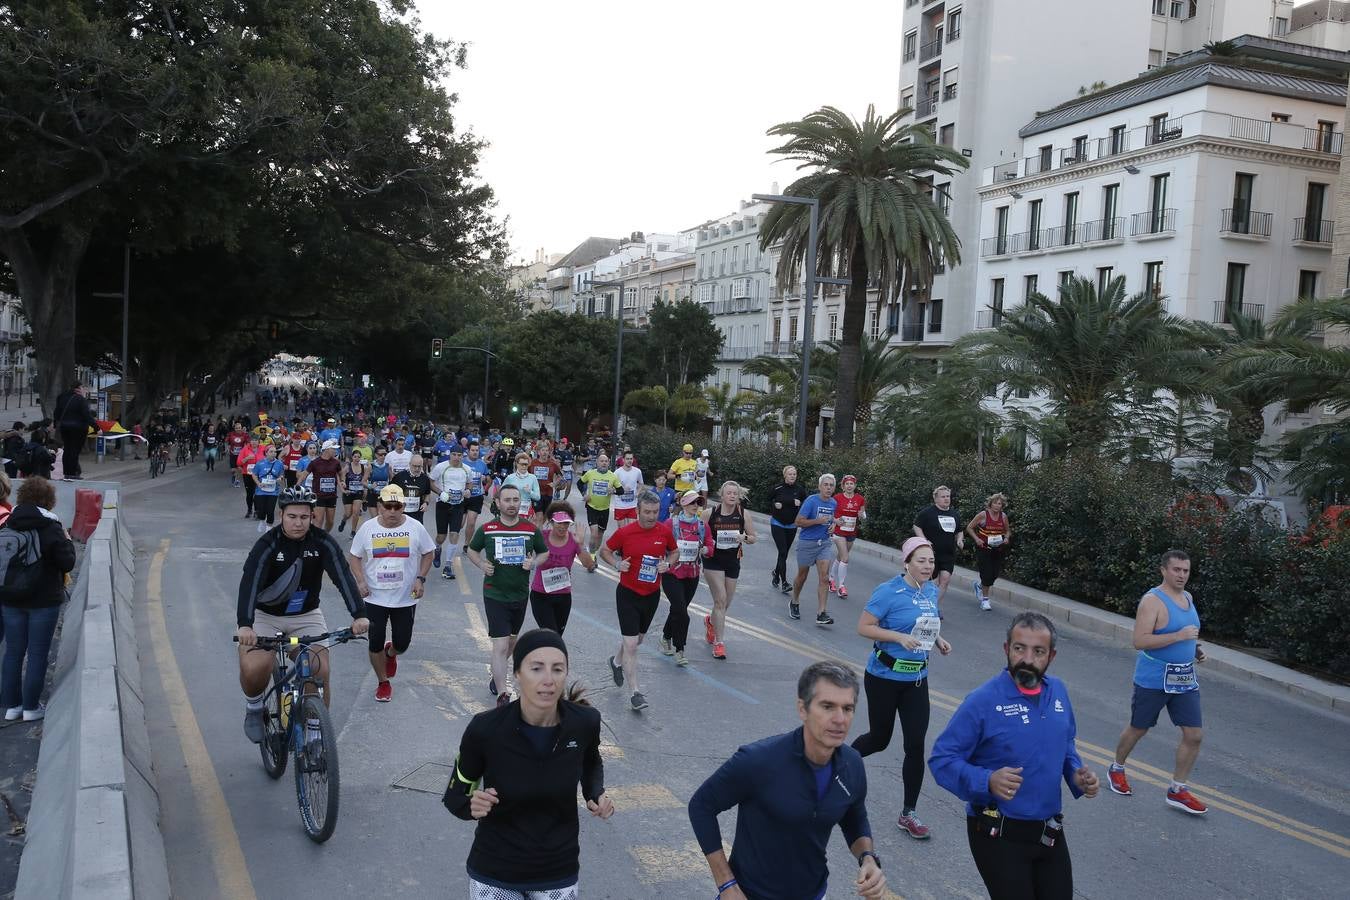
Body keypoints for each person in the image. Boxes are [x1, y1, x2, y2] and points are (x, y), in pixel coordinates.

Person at [929, 612, 1100, 900]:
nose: (1027, 659)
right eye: (1019, 648)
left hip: (1048, 831)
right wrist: (987, 781)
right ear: (1007, 649)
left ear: (1051, 656)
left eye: (1038, 651)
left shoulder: (1058, 692)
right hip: (998, 833)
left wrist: (1076, 774)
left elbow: (1065, 743)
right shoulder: (983, 701)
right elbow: (941, 760)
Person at [688, 662, 886, 900]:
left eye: (848, 708)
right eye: (827, 706)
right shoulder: (759, 760)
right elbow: (701, 806)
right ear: (802, 709)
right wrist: (726, 884)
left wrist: (867, 858)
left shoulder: (852, 764)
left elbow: (855, 817)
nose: (840, 719)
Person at [443, 629, 613, 899]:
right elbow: (454, 797)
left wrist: (595, 793)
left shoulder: (584, 722)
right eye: (536, 668)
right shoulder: (485, 730)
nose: (548, 680)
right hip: (496, 870)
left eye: (557, 669)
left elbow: (591, 761)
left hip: (557, 870)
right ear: (518, 674)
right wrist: (471, 806)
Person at [235, 487, 370, 742]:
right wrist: (245, 625)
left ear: (312, 516)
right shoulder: (267, 544)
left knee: (318, 669)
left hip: (305, 615)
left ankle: (315, 736)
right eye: (292, 516)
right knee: (256, 667)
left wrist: (359, 614)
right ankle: (254, 706)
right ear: (281, 514)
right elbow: (249, 583)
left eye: (304, 517)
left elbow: (342, 576)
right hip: (265, 616)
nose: (298, 523)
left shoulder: (322, 542)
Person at [852, 537, 952, 840]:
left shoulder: (931, 590)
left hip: (916, 681)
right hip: (883, 677)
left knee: (915, 745)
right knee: (880, 739)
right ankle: (835, 765)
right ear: (906, 562)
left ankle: (909, 813)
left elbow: (926, 624)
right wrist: (897, 638)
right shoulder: (888, 591)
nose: (927, 566)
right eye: (921, 561)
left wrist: (938, 640)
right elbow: (864, 627)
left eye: (931, 562)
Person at [1107, 549, 1209, 815]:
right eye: (1177, 570)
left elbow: (1187, 631)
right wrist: (1178, 636)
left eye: (1186, 571)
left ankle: (1178, 790)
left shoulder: (1188, 597)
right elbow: (1139, 641)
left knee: (1194, 735)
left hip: (1184, 678)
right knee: (1139, 728)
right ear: (1164, 570)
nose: (1182, 575)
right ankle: (1116, 768)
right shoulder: (1152, 601)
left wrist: (1194, 648)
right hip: (1154, 679)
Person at [348, 484, 436, 703]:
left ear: (404, 506)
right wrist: (360, 581)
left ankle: (391, 654)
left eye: (398, 506)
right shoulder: (367, 528)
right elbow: (354, 557)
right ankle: (383, 682)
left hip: (405, 598)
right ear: (379, 507)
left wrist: (420, 578)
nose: (393, 511)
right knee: (374, 642)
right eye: (388, 506)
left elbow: (428, 552)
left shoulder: (415, 527)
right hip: (375, 596)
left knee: (402, 644)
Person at [1, 478, 78, 722]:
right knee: (36, 653)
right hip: (43, 601)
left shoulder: (8, 523)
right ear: (49, 501)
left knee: (13, 652)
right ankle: (31, 707)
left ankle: (12, 706)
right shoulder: (51, 527)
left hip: (10, 598)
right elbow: (67, 563)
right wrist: (66, 540)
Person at [467, 484, 548, 706]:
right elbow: (472, 550)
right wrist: (482, 564)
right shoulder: (488, 528)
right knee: (500, 645)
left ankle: (497, 674)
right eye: (507, 500)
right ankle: (503, 693)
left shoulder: (529, 529)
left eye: (515, 500)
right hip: (495, 594)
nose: (512, 504)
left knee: (511, 642)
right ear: (498, 503)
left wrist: (533, 563)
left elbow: (544, 552)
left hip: (520, 594)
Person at [599, 490, 677, 712]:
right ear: (638, 511)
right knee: (632, 645)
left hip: (651, 595)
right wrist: (616, 564)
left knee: (637, 640)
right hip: (628, 593)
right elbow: (605, 550)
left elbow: (675, 552)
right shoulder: (626, 533)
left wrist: (668, 565)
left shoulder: (664, 532)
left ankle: (615, 662)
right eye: (647, 512)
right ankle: (635, 692)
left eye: (655, 512)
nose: (652, 516)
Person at [702, 480, 756, 660]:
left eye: (735, 493)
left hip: (733, 560)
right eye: (729, 493)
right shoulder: (710, 513)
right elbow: (699, 534)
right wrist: (708, 544)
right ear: (722, 495)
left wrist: (744, 537)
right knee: (720, 600)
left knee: (725, 604)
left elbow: (753, 537)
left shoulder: (743, 514)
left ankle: (711, 621)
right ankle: (719, 644)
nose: (732, 496)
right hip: (713, 561)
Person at [528, 504, 597, 635]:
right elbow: (526, 555)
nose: (562, 526)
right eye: (559, 522)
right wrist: (531, 534)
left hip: (563, 597)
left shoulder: (574, 540)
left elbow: (589, 564)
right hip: (541, 595)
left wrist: (581, 544)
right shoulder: (541, 536)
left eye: (566, 523)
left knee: (557, 637)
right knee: (551, 635)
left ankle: (548, 655)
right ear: (551, 521)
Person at [659, 490, 706, 667]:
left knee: (678, 609)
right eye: (693, 502)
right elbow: (659, 542)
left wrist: (707, 550)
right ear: (684, 503)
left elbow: (708, 543)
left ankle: (665, 637)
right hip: (672, 574)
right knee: (682, 613)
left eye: (698, 503)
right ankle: (680, 649)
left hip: (692, 574)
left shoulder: (701, 525)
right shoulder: (671, 523)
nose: (696, 506)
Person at [791, 474, 837, 626]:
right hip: (807, 543)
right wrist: (818, 521)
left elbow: (831, 520)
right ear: (820, 486)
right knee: (802, 576)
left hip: (824, 543)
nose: (828, 488)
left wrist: (833, 526)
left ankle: (821, 613)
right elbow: (798, 522)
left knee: (824, 577)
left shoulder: (833, 503)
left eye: (831, 485)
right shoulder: (811, 501)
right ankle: (795, 601)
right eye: (826, 485)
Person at [913, 485, 964, 613]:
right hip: (931, 553)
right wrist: (924, 540)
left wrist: (959, 540)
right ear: (936, 499)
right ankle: (924, 605)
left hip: (948, 553)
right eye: (943, 497)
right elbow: (916, 526)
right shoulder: (927, 512)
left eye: (948, 496)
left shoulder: (954, 514)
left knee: (945, 580)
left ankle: (934, 607)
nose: (946, 499)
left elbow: (960, 530)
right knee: (930, 582)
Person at [430, 446, 475, 579]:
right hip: (443, 505)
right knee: (441, 536)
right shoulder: (441, 467)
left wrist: (468, 491)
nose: (456, 457)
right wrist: (440, 492)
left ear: (463, 456)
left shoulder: (466, 469)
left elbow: (470, 484)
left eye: (459, 455)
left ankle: (448, 566)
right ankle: (437, 548)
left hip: (458, 506)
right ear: (450, 455)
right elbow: (431, 482)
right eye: (454, 454)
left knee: (455, 534)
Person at [965, 492, 1013, 611]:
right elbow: (969, 527)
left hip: (998, 548)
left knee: (994, 574)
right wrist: (977, 539)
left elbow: (1008, 531)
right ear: (990, 504)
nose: (998, 506)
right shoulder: (983, 515)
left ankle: (979, 586)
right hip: (984, 548)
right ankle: (985, 600)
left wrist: (1006, 538)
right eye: (996, 503)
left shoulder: (1003, 517)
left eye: (1000, 504)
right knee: (986, 574)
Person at [768, 465, 808, 594]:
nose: (792, 476)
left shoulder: (800, 490)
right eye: (790, 474)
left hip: (791, 525)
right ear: (785, 475)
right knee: (783, 552)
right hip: (777, 523)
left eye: (794, 474)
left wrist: (800, 504)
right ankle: (784, 582)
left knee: (783, 554)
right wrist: (775, 504)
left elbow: (807, 506)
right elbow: (768, 500)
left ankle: (776, 574)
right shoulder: (777, 488)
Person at [829, 475, 867, 598]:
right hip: (839, 532)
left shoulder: (860, 499)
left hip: (851, 532)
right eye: (847, 484)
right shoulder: (837, 498)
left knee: (840, 557)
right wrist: (835, 521)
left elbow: (863, 515)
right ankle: (841, 586)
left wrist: (862, 515)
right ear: (843, 486)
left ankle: (831, 579)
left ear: (855, 486)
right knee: (845, 558)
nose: (849, 486)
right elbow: (830, 513)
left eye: (852, 484)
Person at [577, 453, 621, 553]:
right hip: (591, 507)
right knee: (594, 533)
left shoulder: (612, 476)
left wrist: (613, 491)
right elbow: (579, 483)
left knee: (600, 534)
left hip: (604, 509)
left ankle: (593, 553)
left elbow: (621, 490)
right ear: (597, 462)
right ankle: (591, 555)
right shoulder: (590, 473)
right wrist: (584, 494)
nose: (604, 463)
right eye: (601, 461)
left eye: (606, 461)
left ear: (609, 463)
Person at [54, 381, 95, 480]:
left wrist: (56, 424)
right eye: (82, 387)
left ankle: (66, 473)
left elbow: (57, 412)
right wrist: (96, 428)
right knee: (74, 451)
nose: (83, 389)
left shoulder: (62, 397)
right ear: (78, 388)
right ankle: (72, 474)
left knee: (67, 450)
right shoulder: (80, 399)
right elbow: (87, 415)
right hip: (78, 429)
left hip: (64, 427)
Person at [300, 440, 343, 531]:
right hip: (319, 495)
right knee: (319, 520)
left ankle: (324, 535)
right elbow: (304, 474)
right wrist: (297, 485)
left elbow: (340, 472)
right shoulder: (315, 462)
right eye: (333, 449)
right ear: (327, 450)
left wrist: (342, 481)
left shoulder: (336, 462)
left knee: (330, 521)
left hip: (332, 496)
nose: (335, 451)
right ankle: (317, 540)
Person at [461, 441, 491, 553]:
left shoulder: (482, 464)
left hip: (476, 496)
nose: (475, 452)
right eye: (472, 450)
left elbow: (488, 479)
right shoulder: (462, 463)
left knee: (471, 522)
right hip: (463, 496)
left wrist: (485, 484)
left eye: (477, 450)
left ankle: (467, 544)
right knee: (460, 524)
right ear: (468, 451)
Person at [250, 445, 285, 532]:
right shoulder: (260, 463)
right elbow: (254, 474)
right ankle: (262, 520)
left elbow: (282, 475)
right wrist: (258, 483)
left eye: (275, 452)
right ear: (266, 453)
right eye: (271, 452)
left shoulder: (279, 464)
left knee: (270, 510)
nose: (274, 454)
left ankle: (269, 529)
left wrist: (280, 478)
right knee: (261, 510)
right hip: (261, 491)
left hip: (273, 491)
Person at [392, 453, 433, 525]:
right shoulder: (399, 476)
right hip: (401, 514)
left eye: (419, 466)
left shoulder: (425, 479)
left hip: (417, 515)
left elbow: (427, 494)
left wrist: (426, 503)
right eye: (414, 466)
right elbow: (390, 492)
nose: (417, 469)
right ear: (410, 464)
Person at [528, 442, 562, 526]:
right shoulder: (532, 463)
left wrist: (555, 483)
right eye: (543, 450)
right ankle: (539, 535)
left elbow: (560, 476)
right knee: (539, 516)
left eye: (547, 450)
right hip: (536, 493)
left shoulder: (552, 464)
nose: (545, 452)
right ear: (538, 452)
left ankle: (537, 529)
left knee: (545, 516)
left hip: (548, 493)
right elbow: (525, 474)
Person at [502, 452, 542, 519]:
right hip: (512, 507)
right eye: (522, 464)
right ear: (517, 464)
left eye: (526, 464)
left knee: (524, 529)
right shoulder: (510, 477)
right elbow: (501, 493)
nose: (524, 466)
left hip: (526, 510)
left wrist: (530, 492)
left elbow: (538, 497)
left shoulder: (533, 478)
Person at [338, 451, 368, 534]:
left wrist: (366, 489)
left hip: (358, 493)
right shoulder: (347, 467)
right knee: (348, 514)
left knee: (356, 512)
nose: (357, 459)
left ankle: (353, 531)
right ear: (352, 457)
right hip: (348, 493)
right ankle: (343, 521)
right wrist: (343, 482)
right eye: (355, 457)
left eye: (358, 457)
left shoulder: (363, 468)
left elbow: (365, 480)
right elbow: (342, 477)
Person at [611, 451, 643, 525]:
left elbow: (641, 484)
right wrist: (621, 489)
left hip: (632, 505)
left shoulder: (637, 471)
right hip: (620, 505)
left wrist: (638, 492)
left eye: (631, 459)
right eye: (627, 459)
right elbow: (611, 488)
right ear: (623, 460)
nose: (629, 461)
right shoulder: (617, 472)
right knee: (621, 530)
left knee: (631, 529)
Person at [236, 435, 264, 520]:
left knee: (257, 493)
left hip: (259, 474)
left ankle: (256, 510)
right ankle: (249, 510)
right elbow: (239, 463)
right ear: (249, 442)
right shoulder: (245, 449)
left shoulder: (263, 448)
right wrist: (247, 458)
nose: (254, 442)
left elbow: (269, 458)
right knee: (249, 493)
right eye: (252, 440)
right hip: (247, 474)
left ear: (259, 441)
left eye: (256, 440)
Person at [364, 446, 392, 522]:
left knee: (381, 518)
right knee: (375, 519)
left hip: (383, 496)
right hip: (372, 495)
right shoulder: (370, 467)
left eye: (384, 454)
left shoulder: (388, 466)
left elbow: (392, 481)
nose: (383, 456)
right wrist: (370, 486)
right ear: (376, 455)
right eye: (380, 454)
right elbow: (363, 481)